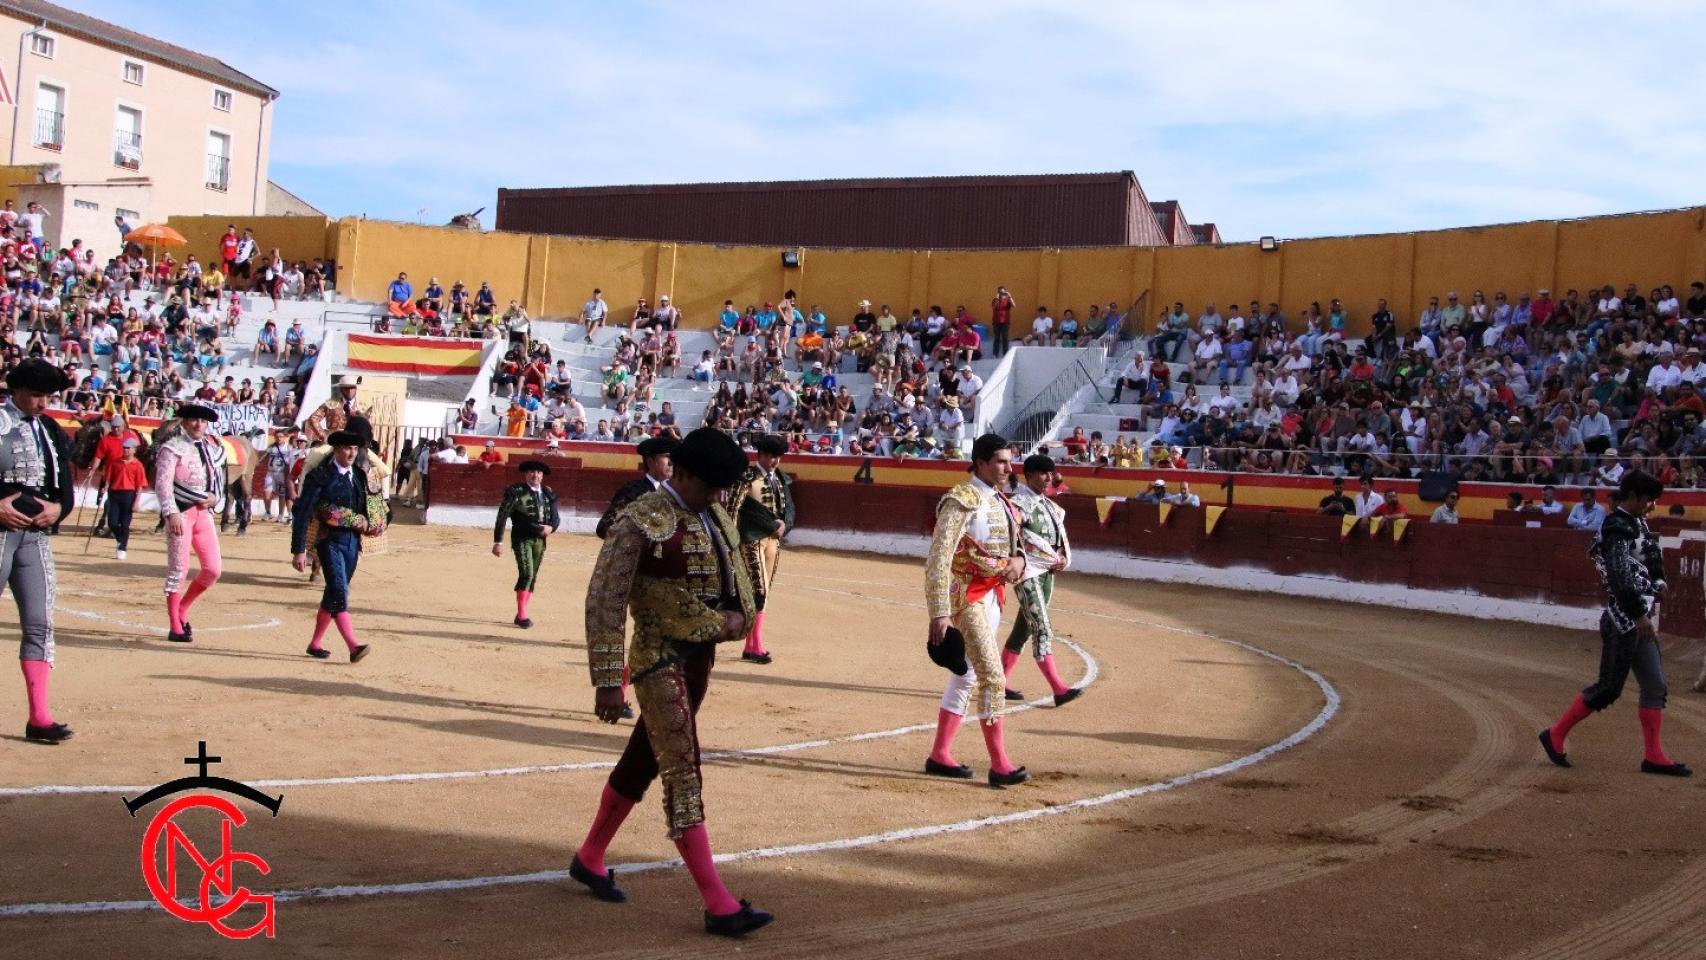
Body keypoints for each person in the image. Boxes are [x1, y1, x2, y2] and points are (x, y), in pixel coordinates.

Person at [569, 427, 772, 937]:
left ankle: (590, 855)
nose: (720, 494)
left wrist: (736, 620)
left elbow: (737, 580)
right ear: (680, 474)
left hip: (699, 659)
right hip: (659, 658)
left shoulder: (715, 512)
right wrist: (607, 681)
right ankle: (719, 903)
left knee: (643, 759)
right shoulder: (640, 520)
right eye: (711, 484)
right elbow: (605, 601)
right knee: (682, 766)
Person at [1539, 470, 1689, 777]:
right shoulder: (1617, 526)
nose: (1651, 506)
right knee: (1608, 688)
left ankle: (1654, 756)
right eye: (1647, 500)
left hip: (1638, 619)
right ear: (1632, 497)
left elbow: (1651, 553)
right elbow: (1620, 576)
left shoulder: (1636, 523)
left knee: (1654, 685)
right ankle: (1555, 733)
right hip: (1625, 620)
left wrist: (1658, 579)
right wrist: (1638, 614)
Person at [923, 432, 1031, 787]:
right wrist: (939, 612)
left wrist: (1018, 561)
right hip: (965, 598)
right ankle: (1000, 764)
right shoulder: (960, 500)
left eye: (1009, 460)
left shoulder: (1001, 500)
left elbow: (1018, 546)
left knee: (967, 675)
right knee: (993, 677)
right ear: (981, 462)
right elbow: (939, 559)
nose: (1008, 467)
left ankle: (940, 755)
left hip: (992, 597)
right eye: (1001, 461)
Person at [2, 360, 76, 742]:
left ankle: (39, 718)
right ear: (15, 390)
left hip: (34, 537)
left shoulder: (50, 429)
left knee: (40, 622)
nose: (42, 402)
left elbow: (64, 481)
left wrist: (59, 509)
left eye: (47, 395)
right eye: (35, 394)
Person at [290, 430, 376, 662]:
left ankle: (315, 643)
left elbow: (369, 507)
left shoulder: (358, 475)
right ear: (336, 450)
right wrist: (299, 549)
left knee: (333, 592)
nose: (351, 453)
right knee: (339, 591)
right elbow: (303, 512)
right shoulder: (320, 476)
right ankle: (353, 646)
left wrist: (373, 520)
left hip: (352, 543)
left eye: (355, 449)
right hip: (328, 541)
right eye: (347, 448)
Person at [1000, 455, 1079, 706]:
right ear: (1030, 475)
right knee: (1042, 627)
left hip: (1046, 573)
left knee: (1023, 630)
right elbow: (1012, 531)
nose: (1049, 478)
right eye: (1044, 473)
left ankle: (998, 682)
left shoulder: (1047, 504)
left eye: (1051, 473)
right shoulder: (1020, 503)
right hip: (1028, 573)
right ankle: (1059, 688)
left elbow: (1058, 539)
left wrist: (1063, 558)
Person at [155, 404, 226, 644]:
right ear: (184, 421)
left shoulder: (210, 448)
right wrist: (171, 513)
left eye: (203, 421)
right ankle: (175, 624)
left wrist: (216, 498)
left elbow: (216, 481)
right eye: (194, 420)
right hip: (182, 513)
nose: (199, 424)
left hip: (202, 514)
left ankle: (182, 609)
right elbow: (163, 484)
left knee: (213, 569)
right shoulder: (171, 448)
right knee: (178, 570)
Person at [734, 434, 794, 665]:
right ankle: (757, 644)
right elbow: (739, 510)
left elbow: (789, 509)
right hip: (750, 540)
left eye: (778, 456)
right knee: (759, 590)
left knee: (765, 590)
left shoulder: (780, 478)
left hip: (773, 542)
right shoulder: (747, 477)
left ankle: (750, 646)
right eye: (770, 456)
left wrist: (785, 525)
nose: (775, 461)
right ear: (761, 455)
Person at [492, 460, 560, 629]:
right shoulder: (516, 492)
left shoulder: (548, 493)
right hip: (522, 538)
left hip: (540, 541)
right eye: (531, 472)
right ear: (526, 474)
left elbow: (555, 517)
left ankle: (521, 613)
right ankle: (522, 615)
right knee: (527, 573)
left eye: (538, 473)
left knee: (533, 576)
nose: (535, 475)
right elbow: (503, 516)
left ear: (542, 476)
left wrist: (551, 528)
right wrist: (498, 542)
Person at [596, 437, 675, 539]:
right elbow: (605, 527)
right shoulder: (632, 492)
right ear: (650, 462)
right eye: (667, 457)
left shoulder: (677, 493)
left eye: (674, 458)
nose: (671, 462)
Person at [103, 436, 147, 559]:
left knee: (125, 524)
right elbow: (108, 478)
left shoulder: (138, 465)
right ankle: (120, 539)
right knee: (112, 522)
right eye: (124, 448)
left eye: (128, 448)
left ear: (134, 450)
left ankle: (122, 547)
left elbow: (139, 486)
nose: (125, 450)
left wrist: (136, 502)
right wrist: (105, 488)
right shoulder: (115, 462)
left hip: (129, 495)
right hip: (114, 494)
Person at [304, 375, 365, 443]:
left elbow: (369, 426)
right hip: (334, 440)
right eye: (346, 388)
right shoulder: (331, 403)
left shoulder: (362, 405)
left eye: (352, 388)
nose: (349, 391)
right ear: (341, 389)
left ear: (356, 388)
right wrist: (322, 435)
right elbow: (313, 418)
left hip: (355, 442)